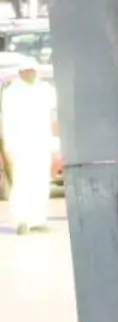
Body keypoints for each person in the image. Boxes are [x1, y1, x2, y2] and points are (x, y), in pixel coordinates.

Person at [1, 63, 53, 234]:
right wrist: (8, 145)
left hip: (41, 143)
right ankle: (21, 221)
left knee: (41, 182)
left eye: (33, 70)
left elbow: (52, 115)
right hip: (21, 145)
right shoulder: (11, 94)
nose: (31, 73)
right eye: (27, 70)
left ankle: (38, 219)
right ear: (21, 72)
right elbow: (7, 120)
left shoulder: (44, 90)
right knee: (22, 182)